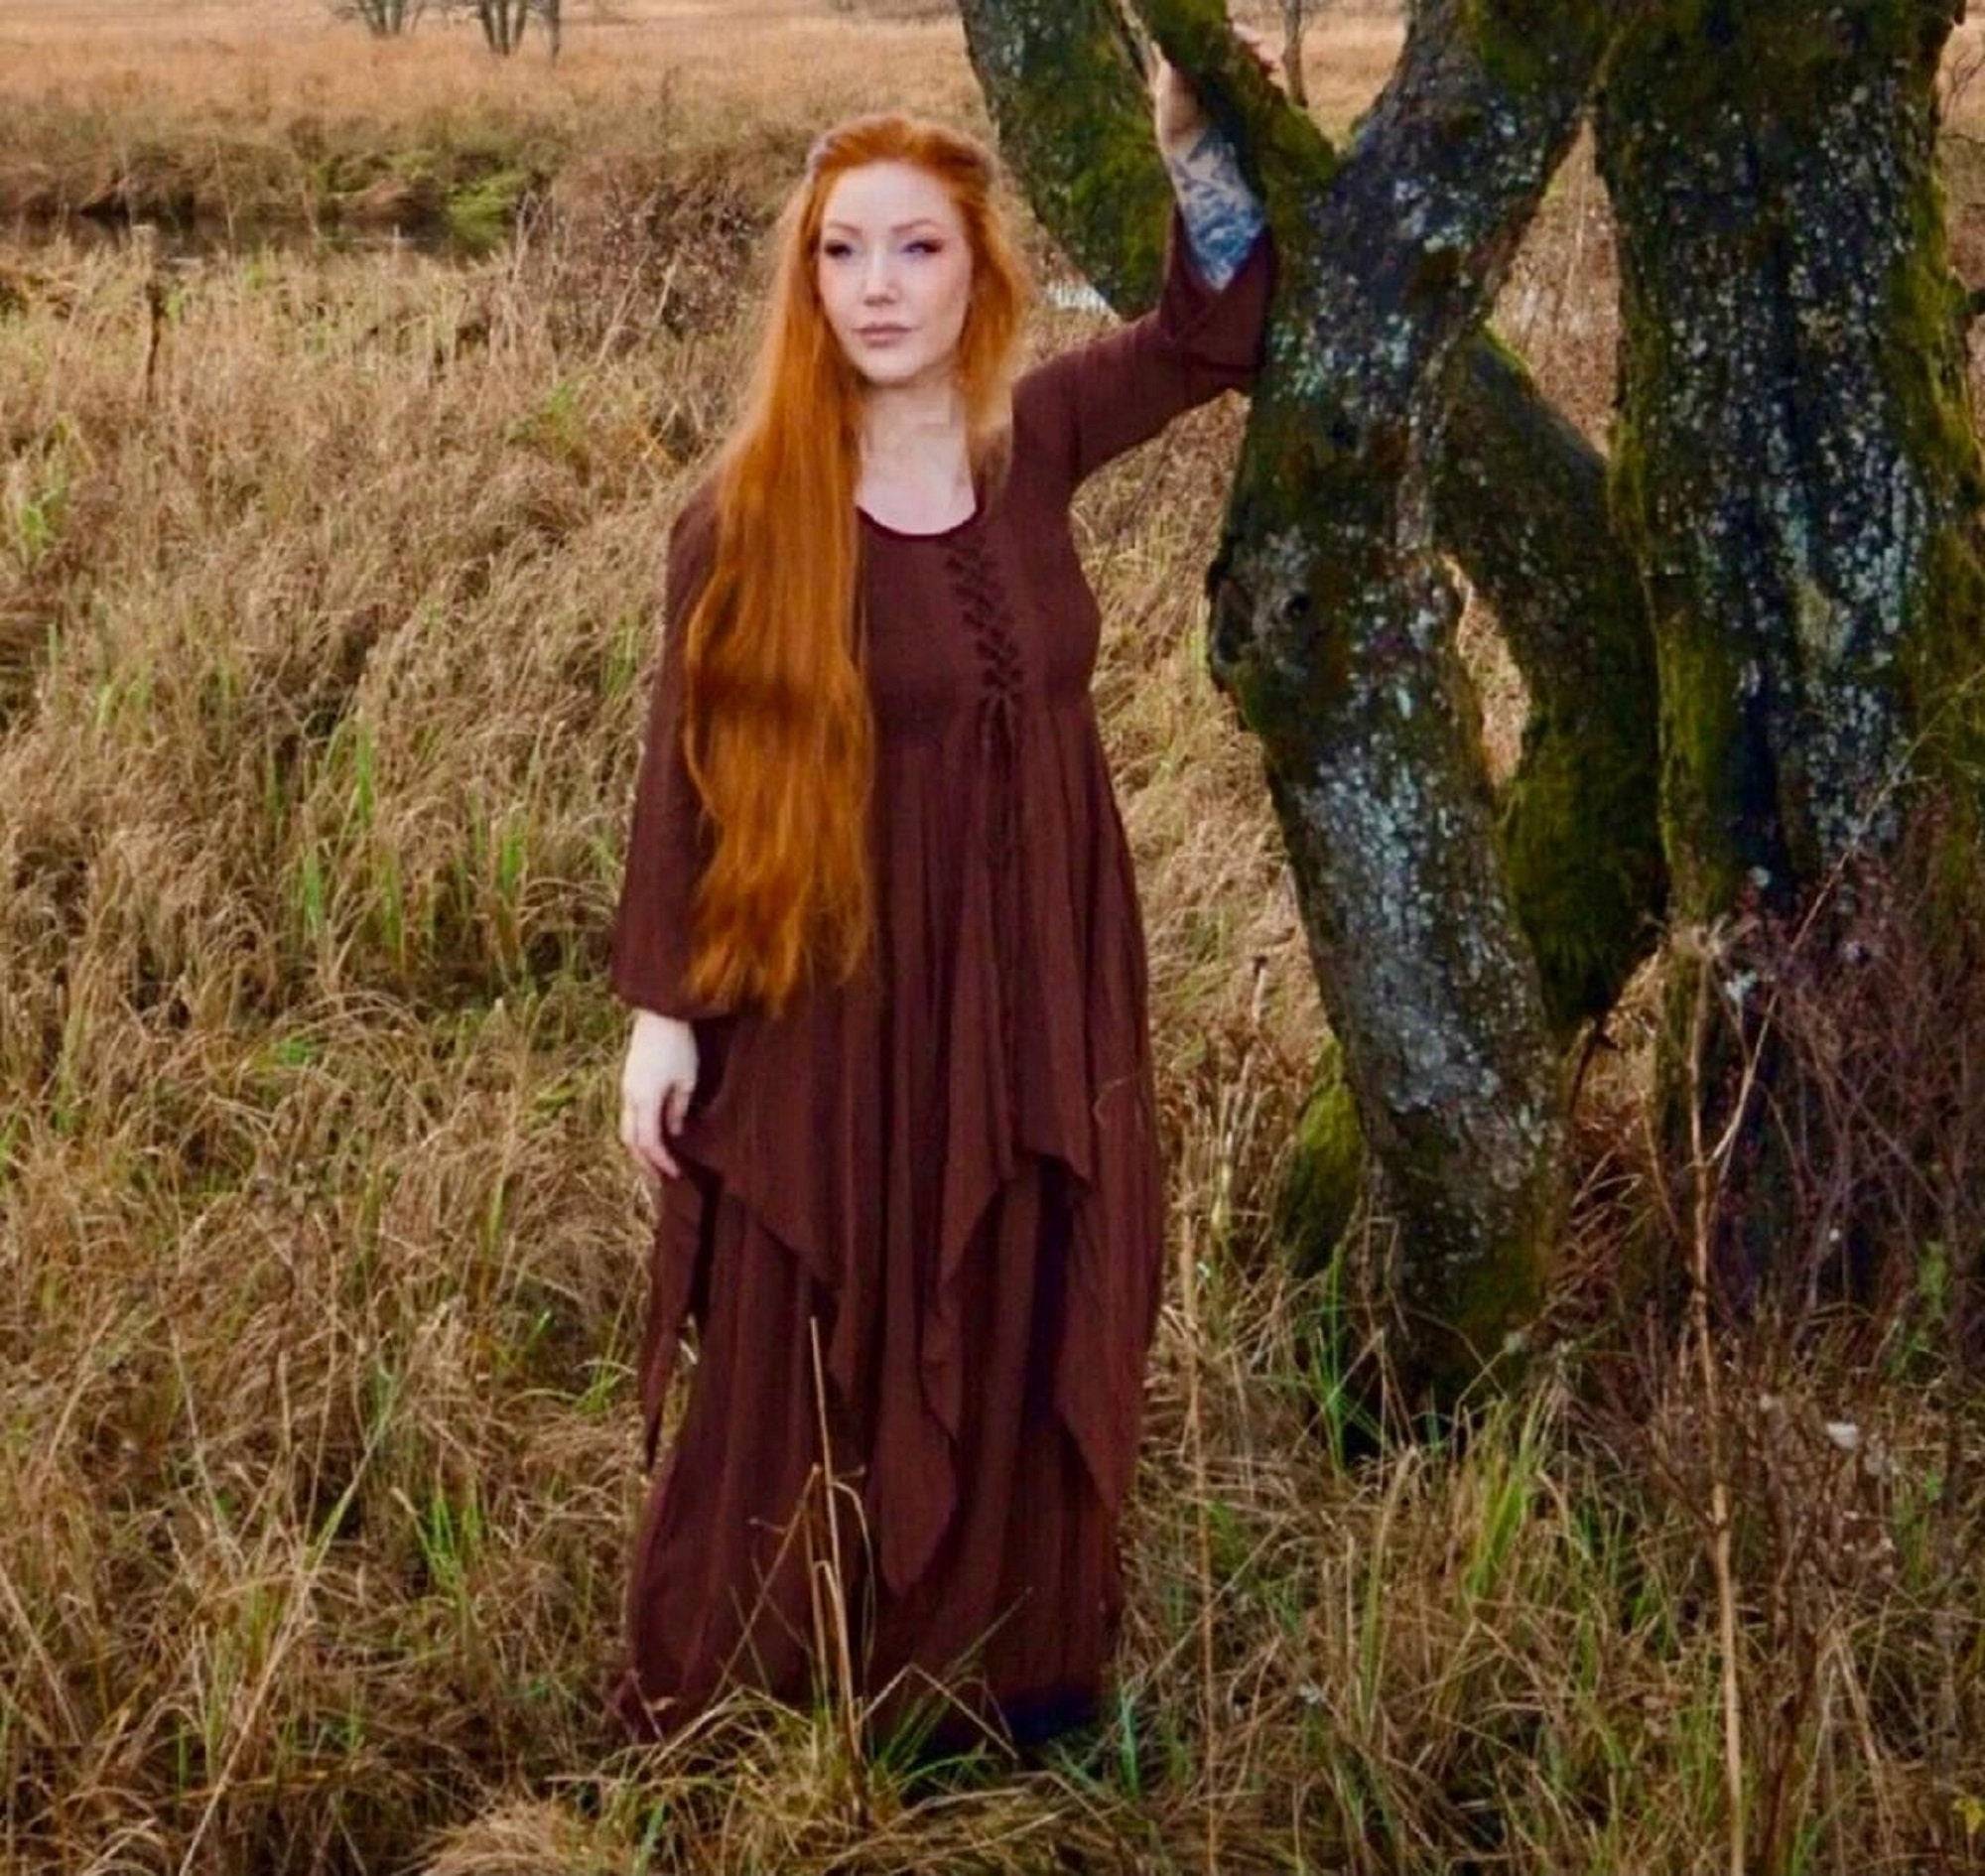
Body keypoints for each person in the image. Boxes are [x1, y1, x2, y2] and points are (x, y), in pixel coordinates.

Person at [604, 19, 1282, 1764]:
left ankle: (1002, 1687)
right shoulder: (747, 514)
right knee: (810, 1330)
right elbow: (684, 772)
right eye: (843, 250)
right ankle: (743, 1710)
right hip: (838, 993)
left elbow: (1216, 334)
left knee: (1030, 1295)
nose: (877, 284)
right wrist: (662, 1020)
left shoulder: (1029, 437)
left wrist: (1195, 136)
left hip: (1046, 973)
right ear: (804, 279)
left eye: (917, 246)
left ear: (980, 270)